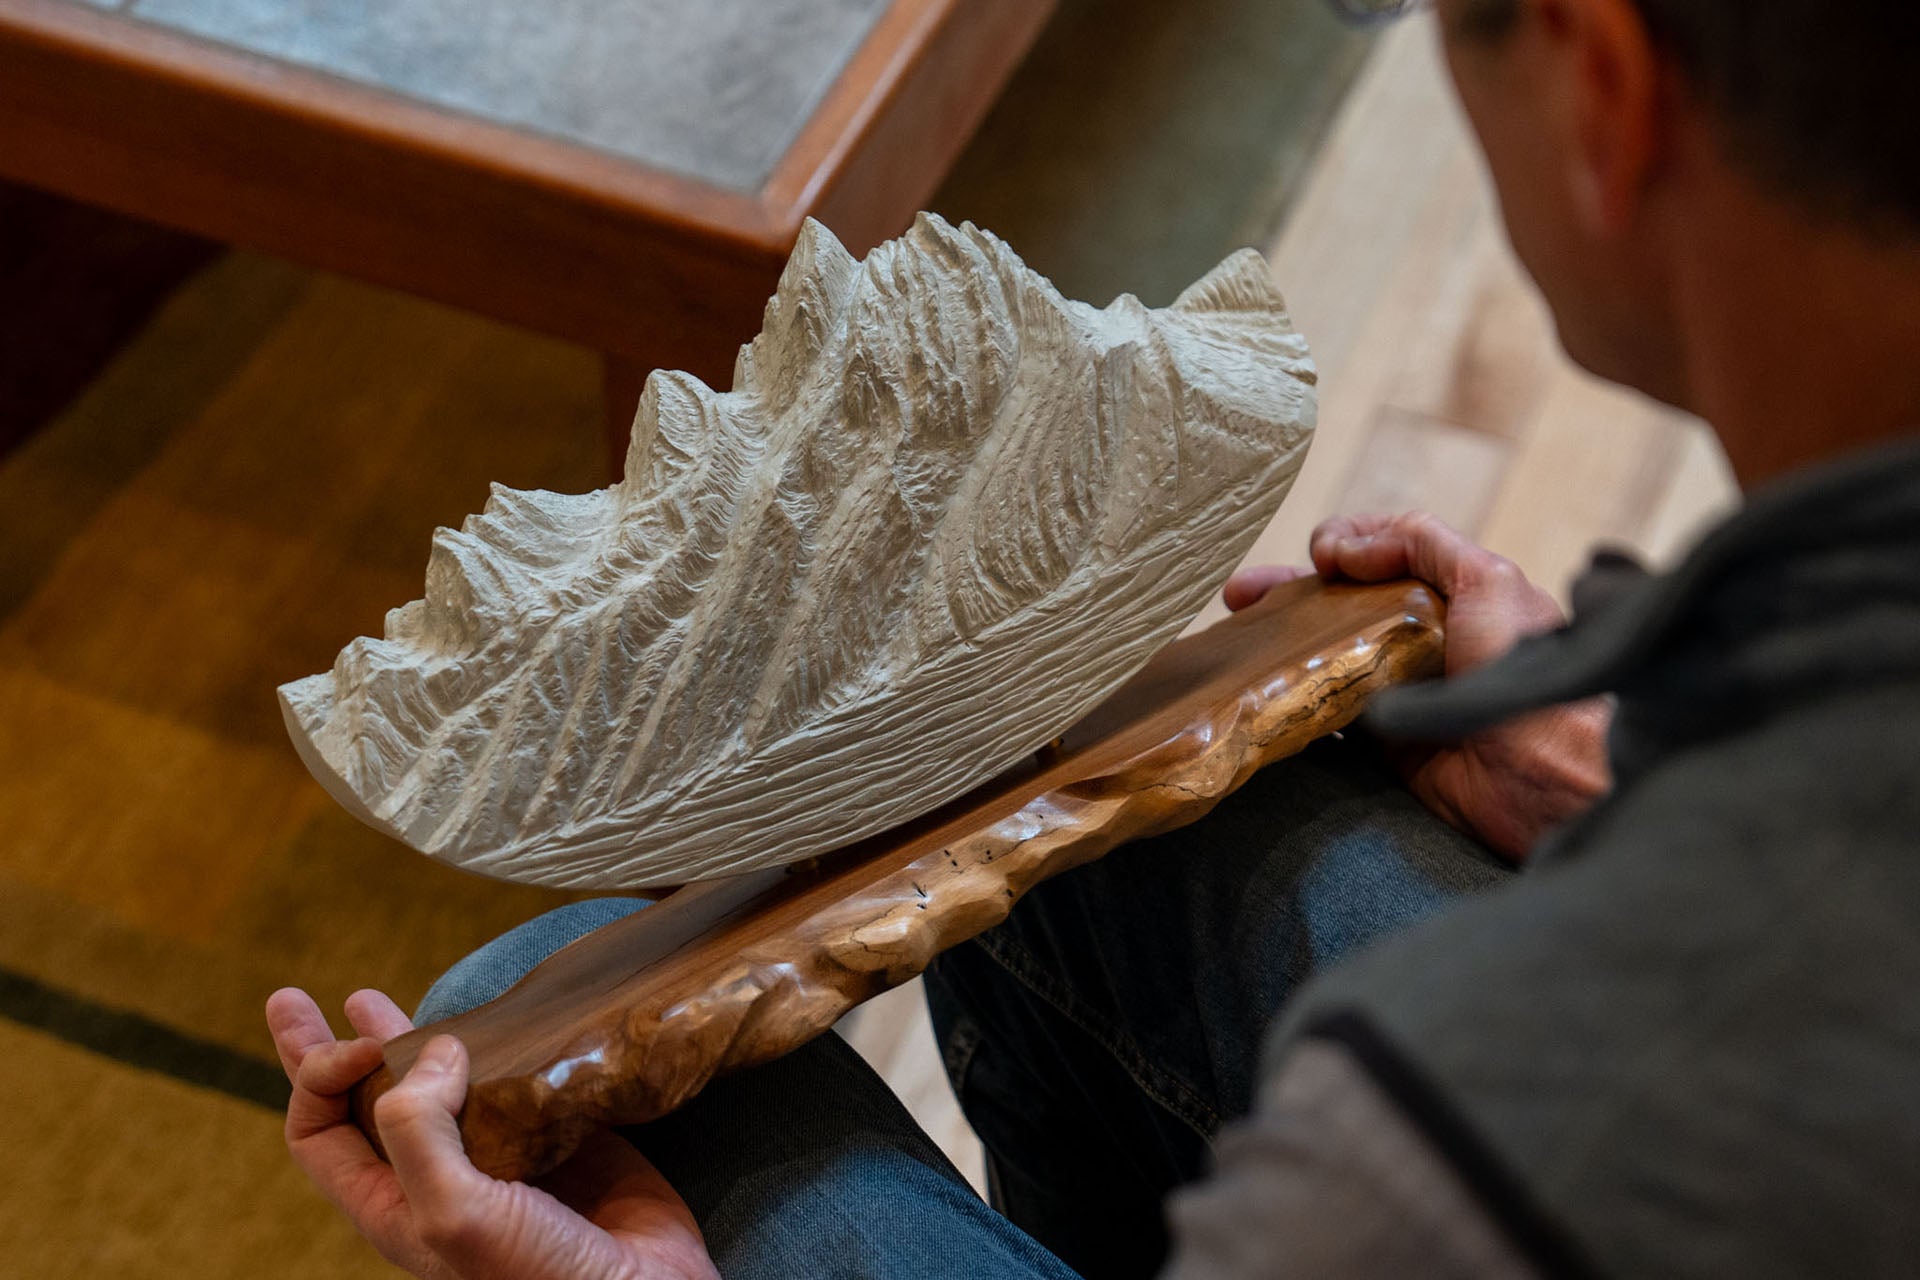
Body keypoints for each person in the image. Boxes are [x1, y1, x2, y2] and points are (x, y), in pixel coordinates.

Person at [266, 0, 1920, 1274]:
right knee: (1121, 780)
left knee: (518, 1052)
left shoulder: (1457, 1162)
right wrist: (1618, 786)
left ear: (1603, 84)